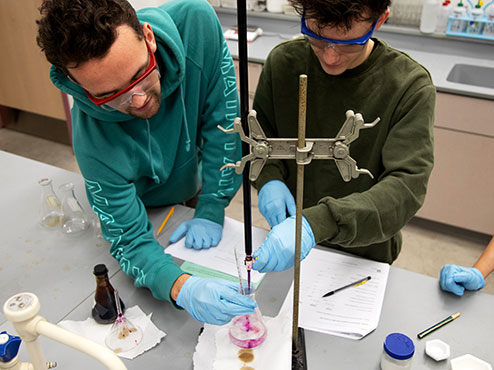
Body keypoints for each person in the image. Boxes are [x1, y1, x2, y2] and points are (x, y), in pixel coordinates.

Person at [36, 0, 256, 324]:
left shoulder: (197, 24)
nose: (138, 99)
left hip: (191, 179)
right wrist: (182, 287)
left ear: (149, 37)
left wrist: (211, 205)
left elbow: (223, 126)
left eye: (140, 74)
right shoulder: (91, 138)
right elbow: (128, 238)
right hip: (139, 203)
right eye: (112, 95)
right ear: (80, 87)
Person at [251, 0, 435, 273]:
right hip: (288, 240)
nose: (330, 57)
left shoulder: (408, 86)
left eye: (350, 43)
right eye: (316, 37)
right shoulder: (284, 64)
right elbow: (261, 142)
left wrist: (319, 223)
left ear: (379, 20)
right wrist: (269, 179)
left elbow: (406, 187)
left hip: (362, 254)